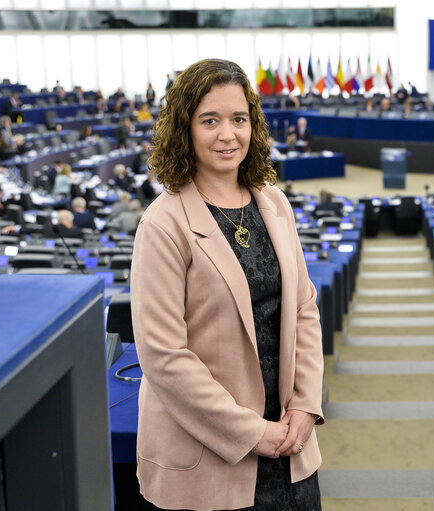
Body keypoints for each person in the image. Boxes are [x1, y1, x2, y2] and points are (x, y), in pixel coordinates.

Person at [131, 58, 324, 511]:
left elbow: (303, 309)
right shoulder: (162, 223)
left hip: (290, 445)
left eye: (239, 119)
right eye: (210, 120)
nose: (227, 134)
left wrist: (305, 405)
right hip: (211, 457)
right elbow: (164, 356)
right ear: (185, 128)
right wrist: (253, 431)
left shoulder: (274, 202)